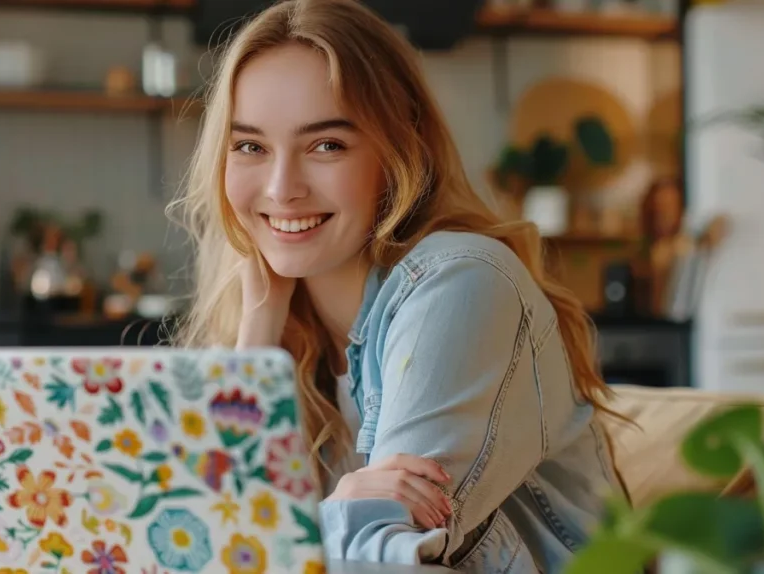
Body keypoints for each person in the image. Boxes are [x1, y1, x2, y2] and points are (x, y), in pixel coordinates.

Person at [168, 0, 626, 571]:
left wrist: (306, 520)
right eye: (250, 146)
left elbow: (386, 562)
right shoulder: (275, 312)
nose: (282, 188)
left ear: (398, 148)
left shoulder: (459, 284)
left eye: (326, 145)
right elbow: (191, 541)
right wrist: (255, 346)